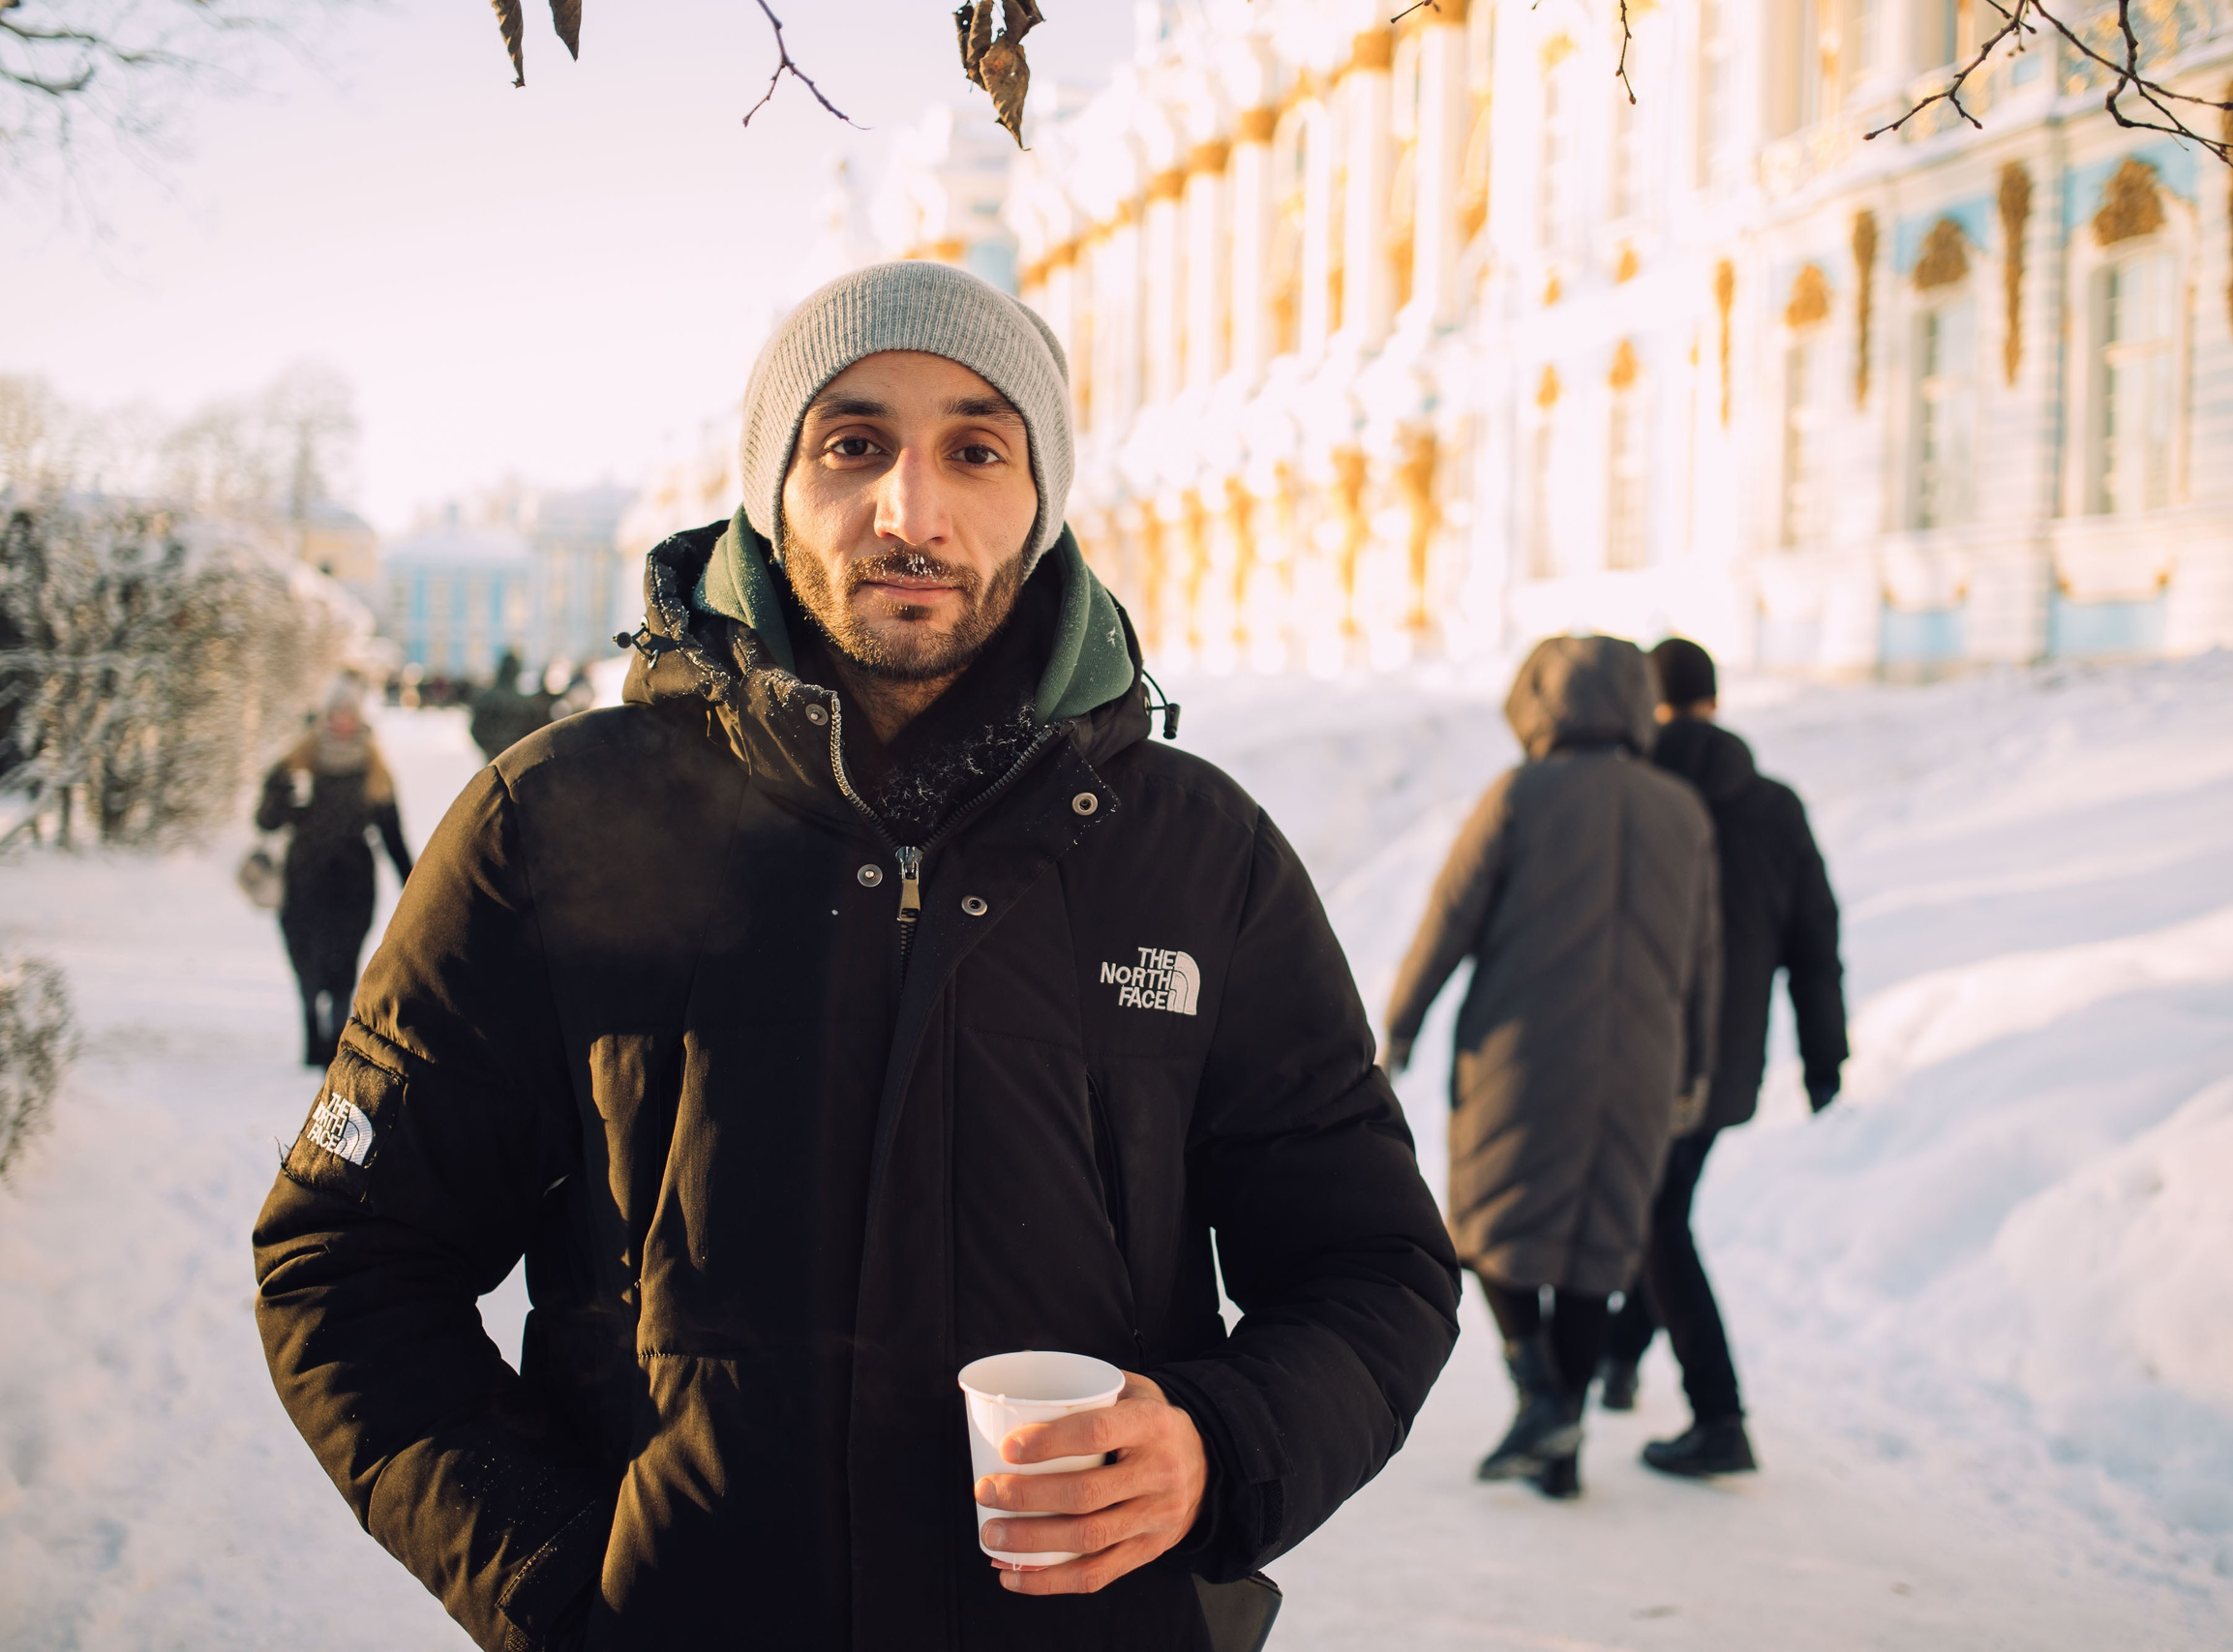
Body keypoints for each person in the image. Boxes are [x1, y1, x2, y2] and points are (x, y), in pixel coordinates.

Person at [252, 261, 1459, 1652]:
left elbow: (1374, 1264)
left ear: (1041, 497)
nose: (911, 511)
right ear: (773, 484)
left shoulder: (1200, 855)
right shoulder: (554, 821)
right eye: (853, 443)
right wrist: (568, 1587)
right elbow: (347, 1257)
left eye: (977, 450)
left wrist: (1217, 1445)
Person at [1382, 635, 1720, 1500]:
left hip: (1520, 1054)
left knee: (1491, 1221)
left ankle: (1537, 1390)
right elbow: (1703, 959)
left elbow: (1449, 918)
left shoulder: (1520, 794)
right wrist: (1694, 1069)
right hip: (1640, 1064)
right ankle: (1560, 1444)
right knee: (1594, 1245)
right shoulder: (1682, 810)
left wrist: (1401, 1024)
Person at [1601, 636, 1848, 1478]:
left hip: (1640, 1047)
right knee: (1662, 1209)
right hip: (1731, 1059)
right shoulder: (1775, 805)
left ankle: (1719, 1414)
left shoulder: (1634, 792)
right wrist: (1823, 1057)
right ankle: (1619, 1356)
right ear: (1715, 699)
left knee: (1655, 1218)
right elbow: (1815, 939)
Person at [255, 677, 414, 1067]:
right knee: (305, 959)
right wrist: (283, 797)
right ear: (324, 717)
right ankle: (312, 1031)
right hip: (303, 878)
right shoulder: (298, 762)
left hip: (352, 880)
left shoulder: (373, 767)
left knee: (344, 962)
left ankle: (334, 1040)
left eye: (349, 714)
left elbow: (392, 835)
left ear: (358, 719)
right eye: (336, 713)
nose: (342, 721)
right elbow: (266, 821)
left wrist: (415, 887)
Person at [468, 649, 556, 760]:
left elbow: (476, 729)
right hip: (515, 757)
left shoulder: (487, 698)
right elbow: (535, 733)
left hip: (497, 757)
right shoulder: (524, 703)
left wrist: (490, 748)